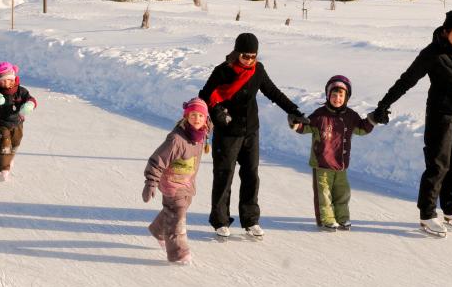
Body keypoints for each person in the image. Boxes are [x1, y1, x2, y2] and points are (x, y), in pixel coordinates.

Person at [373, 10, 452, 236]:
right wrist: (383, 105)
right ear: (446, 32)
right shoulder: (432, 53)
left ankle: (451, 210)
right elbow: (407, 80)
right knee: (438, 165)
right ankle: (427, 214)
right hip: (441, 116)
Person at [199, 32, 307, 239]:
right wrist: (217, 112)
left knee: (251, 175)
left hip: (251, 131)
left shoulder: (258, 70)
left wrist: (294, 111)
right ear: (237, 53)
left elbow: (273, 92)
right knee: (224, 175)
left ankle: (250, 220)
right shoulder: (222, 71)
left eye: (253, 56)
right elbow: (204, 97)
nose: (249, 60)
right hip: (227, 132)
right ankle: (220, 221)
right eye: (245, 56)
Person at [291, 75, 376, 231]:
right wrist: (295, 123)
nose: (337, 98)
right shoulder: (320, 115)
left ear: (347, 97)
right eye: (334, 95)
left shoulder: (351, 115)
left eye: (341, 95)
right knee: (324, 194)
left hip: (341, 164)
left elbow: (361, 129)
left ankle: (342, 218)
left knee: (343, 193)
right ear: (328, 96)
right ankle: (326, 219)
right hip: (322, 163)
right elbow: (305, 128)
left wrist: (373, 119)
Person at [142, 98, 212, 264]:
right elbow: (157, 160)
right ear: (186, 117)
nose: (197, 119)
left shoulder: (202, 132)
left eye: (201, 116)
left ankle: (158, 230)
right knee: (177, 215)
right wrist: (150, 182)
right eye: (193, 115)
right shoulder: (176, 140)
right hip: (172, 184)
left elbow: (211, 123)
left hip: (187, 183)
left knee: (180, 207)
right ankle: (178, 253)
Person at [0, 62, 37, 182]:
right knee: (5, 144)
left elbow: (31, 99)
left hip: (17, 121)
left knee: (15, 142)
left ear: (14, 78)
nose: (6, 83)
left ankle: (10, 157)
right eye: (2, 80)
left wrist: (30, 105)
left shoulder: (21, 91)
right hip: (1, 122)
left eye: (9, 80)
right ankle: (4, 169)